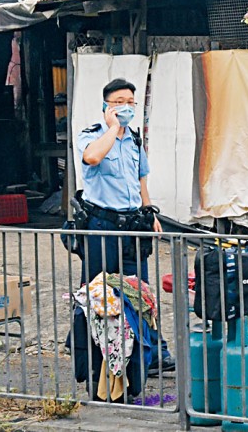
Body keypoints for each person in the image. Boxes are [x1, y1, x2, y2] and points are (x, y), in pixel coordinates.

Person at [74, 78, 174, 377]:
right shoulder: (91, 135)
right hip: (101, 225)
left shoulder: (134, 140)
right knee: (95, 292)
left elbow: (140, 179)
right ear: (106, 106)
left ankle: (151, 354)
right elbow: (92, 157)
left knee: (139, 292)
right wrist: (113, 128)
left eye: (130, 102)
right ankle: (89, 356)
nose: (126, 107)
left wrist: (149, 212)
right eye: (119, 102)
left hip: (131, 226)